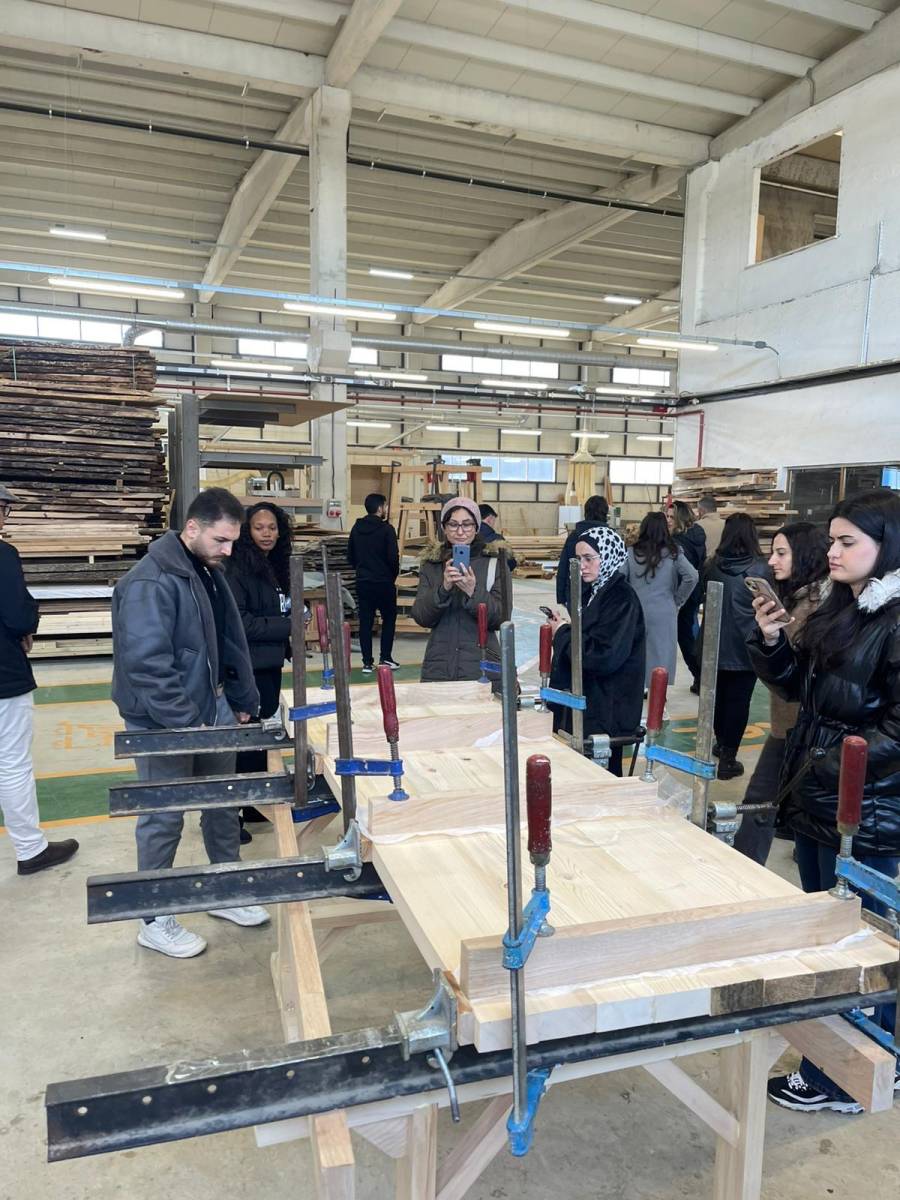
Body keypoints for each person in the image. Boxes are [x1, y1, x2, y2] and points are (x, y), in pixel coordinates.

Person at [748, 490, 900, 1112]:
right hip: (820, 794)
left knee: (861, 938)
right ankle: (841, 1057)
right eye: (832, 540)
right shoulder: (844, 608)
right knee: (828, 930)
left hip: (864, 806)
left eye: (846, 542)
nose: (831, 551)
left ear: (886, 546)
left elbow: (897, 730)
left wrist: (832, 764)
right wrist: (772, 642)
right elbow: (800, 692)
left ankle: (855, 1072)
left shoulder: (895, 622)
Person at [111, 487, 267, 959]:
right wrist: (186, 722)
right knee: (164, 815)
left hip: (212, 706)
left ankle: (225, 891)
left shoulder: (206, 570)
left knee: (223, 802)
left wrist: (240, 698)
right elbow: (147, 666)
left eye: (233, 541)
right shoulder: (150, 582)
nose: (229, 550)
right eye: (221, 540)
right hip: (163, 719)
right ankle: (154, 917)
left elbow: (228, 640)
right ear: (192, 528)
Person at [733, 522, 829, 864]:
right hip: (786, 723)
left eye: (781, 553)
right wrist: (769, 636)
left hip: (807, 728)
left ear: (805, 554)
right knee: (762, 801)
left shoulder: (820, 605)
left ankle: (742, 867)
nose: (772, 561)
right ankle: (742, 867)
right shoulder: (794, 598)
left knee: (763, 802)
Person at [0, 485, 79, 875]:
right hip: (3, 676)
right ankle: (31, 849)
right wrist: (30, 621)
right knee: (12, 762)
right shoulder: (2, 554)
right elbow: (17, 615)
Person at [545, 526, 645, 777]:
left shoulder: (621, 598)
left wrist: (562, 634)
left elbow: (603, 656)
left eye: (589, 558)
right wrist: (566, 628)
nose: (583, 566)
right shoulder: (594, 592)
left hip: (607, 710)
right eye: (578, 559)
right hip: (592, 705)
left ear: (609, 556)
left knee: (601, 778)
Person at [225, 501, 293, 842]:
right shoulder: (238, 569)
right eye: (258, 527)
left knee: (261, 738)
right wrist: (288, 626)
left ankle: (253, 804)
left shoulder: (274, 567)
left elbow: (279, 609)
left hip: (270, 665)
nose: (266, 533)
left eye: (272, 527)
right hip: (247, 668)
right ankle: (230, 817)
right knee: (242, 743)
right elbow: (242, 623)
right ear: (246, 532)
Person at [699, 513, 769, 780]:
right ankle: (728, 758)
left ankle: (721, 743)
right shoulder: (761, 569)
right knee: (739, 702)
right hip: (745, 645)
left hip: (713, 643)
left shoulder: (712, 565)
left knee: (717, 698)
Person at [410, 497, 503, 684]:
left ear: (476, 527)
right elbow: (421, 617)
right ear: (444, 528)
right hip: (438, 666)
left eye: (467, 524)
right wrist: (443, 589)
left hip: (481, 666)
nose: (460, 532)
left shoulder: (495, 563)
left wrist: (473, 591)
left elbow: (500, 618)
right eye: (453, 524)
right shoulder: (432, 564)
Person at [620, 511, 698, 691]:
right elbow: (692, 576)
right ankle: (658, 697)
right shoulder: (674, 553)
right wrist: (678, 600)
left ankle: (637, 692)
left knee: (635, 653)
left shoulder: (631, 552)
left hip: (637, 611)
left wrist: (627, 600)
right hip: (664, 611)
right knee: (661, 658)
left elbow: (620, 578)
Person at [348, 493, 400, 674]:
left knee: (365, 622)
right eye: (385, 506)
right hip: (384, 582)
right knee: (389, 619)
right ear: (380, 508)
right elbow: (393, 558)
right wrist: (391, 576)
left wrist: (362, 570)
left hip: (363, 582)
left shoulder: (356, 528)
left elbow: (350, 556)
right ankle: (385, 658)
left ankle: (367, 663)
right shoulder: (387, 530)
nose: (386, 509)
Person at [667, 501, 706, 692]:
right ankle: (702, 678)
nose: (668, 520)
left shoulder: (677, 543)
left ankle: (701, 678)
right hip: (695, 592)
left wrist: (677, 601)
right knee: (689, 636)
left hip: (682, 594)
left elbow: (685, 574)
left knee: (683, 638)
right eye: (667, 516)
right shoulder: (697, 535)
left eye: (671, 517)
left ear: (680, 518)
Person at [556, 495, 609, 608]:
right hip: (604, 597)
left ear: (585, 513)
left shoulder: (574, 536)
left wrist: (561, 596)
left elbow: (564, 566)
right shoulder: (610, 538)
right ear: (605, 513)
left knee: (578, 619)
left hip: (575, 594)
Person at [477, 504, 517, 571]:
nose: (494, 524)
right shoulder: (497, 539)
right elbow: (510, 565)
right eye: (494, 520)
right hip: (493, 577)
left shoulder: (469, 538)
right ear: (489, 519)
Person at [696, 495, 726, 559]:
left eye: (698, 510)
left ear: (701, 510)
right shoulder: (727, 524)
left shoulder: (696, 526)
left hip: (704, 563)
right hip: (725, 563)